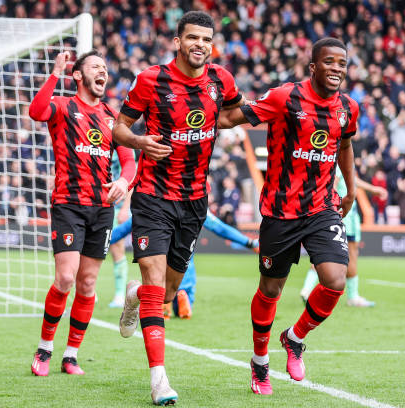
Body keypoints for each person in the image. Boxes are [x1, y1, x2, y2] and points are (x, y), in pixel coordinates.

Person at [112, 11, 243, 405]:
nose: (200, 44)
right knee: (157, 287)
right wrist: (140, 142)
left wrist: (262, 110)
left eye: (206, 39)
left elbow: (233, 112)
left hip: (194, 200)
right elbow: (118, 127)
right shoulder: (151, 80)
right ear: (177, 41)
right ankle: (159, 380)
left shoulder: (221, 79)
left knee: (167, 292)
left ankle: (134, 294)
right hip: (153, 196)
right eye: (192, 38)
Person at [218, 38, 358, 395]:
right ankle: (260, 361)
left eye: (342, 63)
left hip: (323, 207)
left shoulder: (347, 108)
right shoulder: (284, 97)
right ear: (313, 67)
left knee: (335, 280)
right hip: (280, 212)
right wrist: (198, 114)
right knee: (271, 289)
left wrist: (351, 190)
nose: (336, 68)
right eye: (329, 61)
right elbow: (232, 118)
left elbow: (344, 144)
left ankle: (294, 338)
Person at [27, 50, 135, 377]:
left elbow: (129, 162)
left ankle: (71, 355)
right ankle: (45, 348)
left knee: (87, 283)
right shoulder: (62, 106)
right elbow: (36, 111)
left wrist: (124, 181)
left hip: (101, 209)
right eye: (95, 67)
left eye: (105, 67)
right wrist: (55, 73)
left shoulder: (112, 116)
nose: (103, 71)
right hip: (68, 204)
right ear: (78, 75)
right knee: (65, 277)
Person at [109, 210, 259, 319]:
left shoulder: (152, 205)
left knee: (155, 287)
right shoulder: (195, 203)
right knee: (184, 263)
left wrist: (99, 243)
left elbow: (123, 230)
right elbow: (220, 228)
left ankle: (162, 302)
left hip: (159, 270)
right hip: (183, 272)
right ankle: (183, 296)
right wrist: (249, 242)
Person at [300, 166, 388, 307]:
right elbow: (334, 183)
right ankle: (352, 296)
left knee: (326, 254)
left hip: (343, 216)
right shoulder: (340, 158)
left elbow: (351, 179)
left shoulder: (338, 160)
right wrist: (331, 207)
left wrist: (373, 189)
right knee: (346, 255)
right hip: (344, 216)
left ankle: (306, 290)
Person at [107, 152, 132, 308]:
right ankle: (88, 291)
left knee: (117, 249)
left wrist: (125, 208)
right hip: (94, 204)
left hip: (116, 206)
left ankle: (119, 294)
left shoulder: (123, 146)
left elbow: (131, 178)